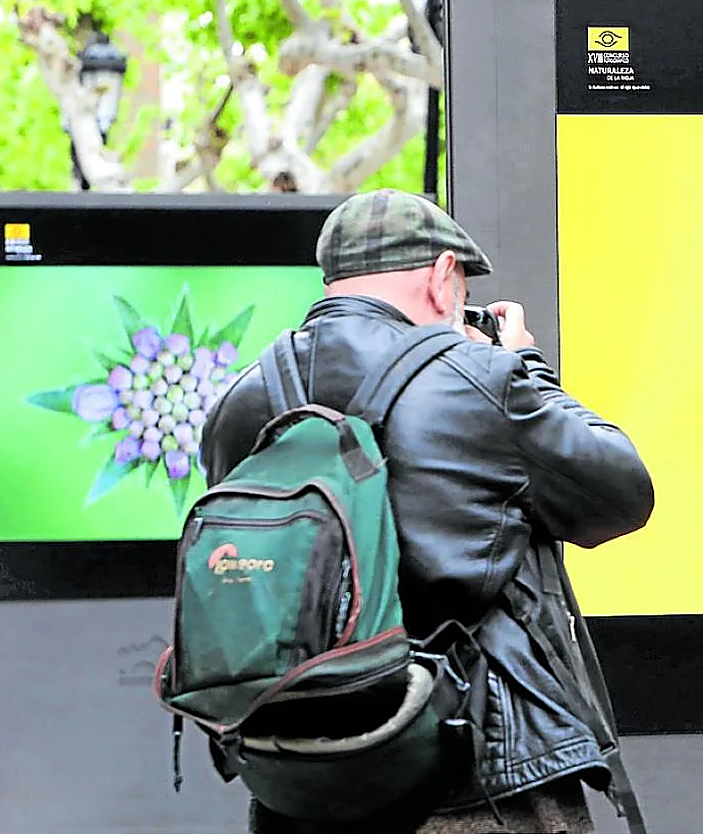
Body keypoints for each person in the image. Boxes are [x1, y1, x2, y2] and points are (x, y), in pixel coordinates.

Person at [197, 188, 655, 833]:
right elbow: (621, 494)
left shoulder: (243, 397)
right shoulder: (478, 377)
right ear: (443, 277)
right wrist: (524, 365)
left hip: (303, 778)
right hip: (473, 774)